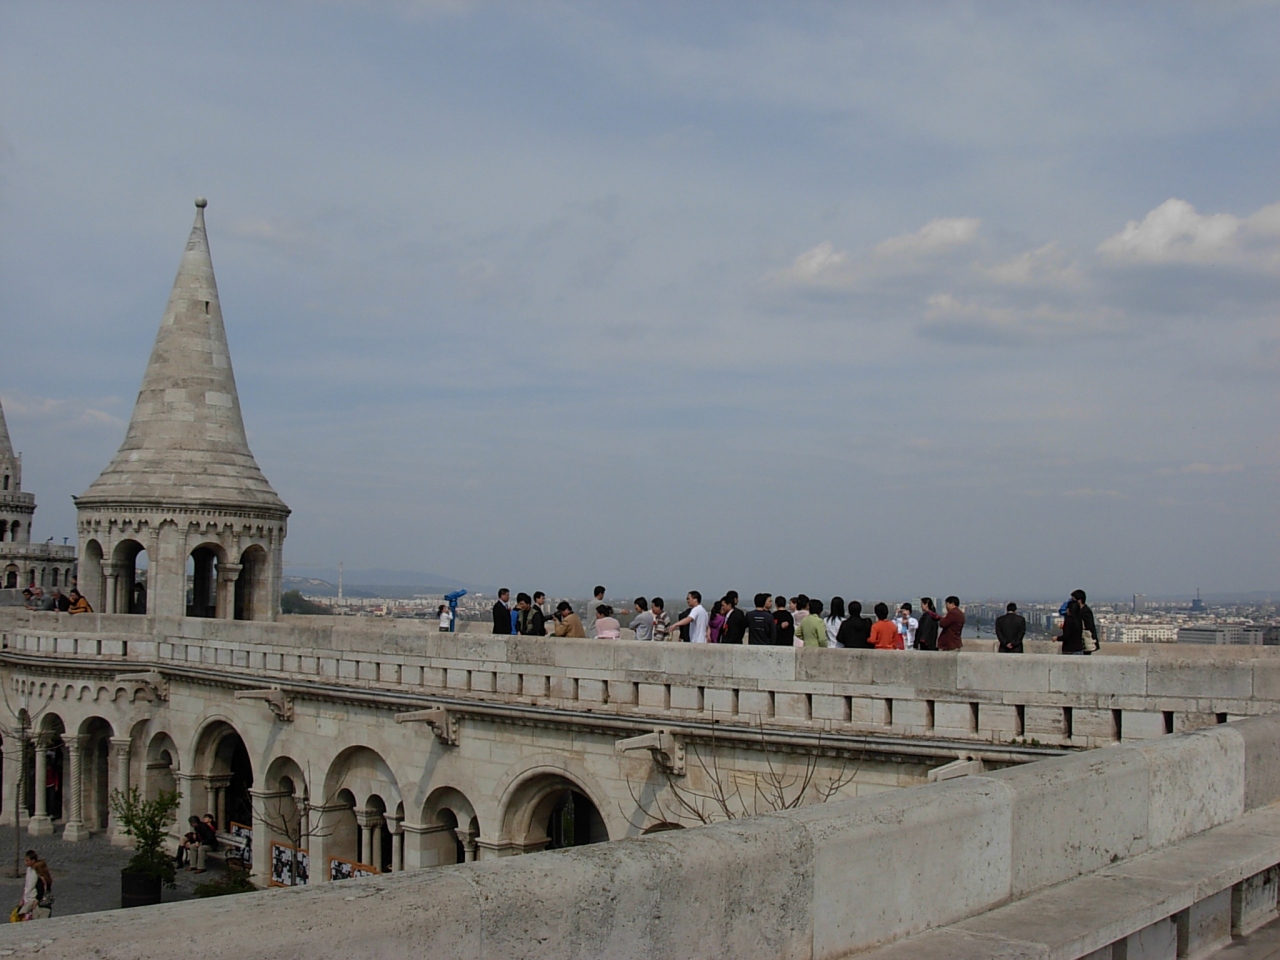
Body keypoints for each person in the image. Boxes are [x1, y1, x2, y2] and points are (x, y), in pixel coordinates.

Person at [18, 850, 52, 920]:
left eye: (27, 861)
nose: (25, 862)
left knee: (26, 916)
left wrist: (36, 900)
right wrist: (23, 898)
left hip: (34, 900)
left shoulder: (38, 876)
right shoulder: (29, 870)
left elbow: (40, 890)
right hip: (34, 900)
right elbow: (27, 885)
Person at [1073, 589, 1098, 656]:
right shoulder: (1080, 610)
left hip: (1086, 640)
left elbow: (1089, 625)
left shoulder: (1086, 611)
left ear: (1079, 600)